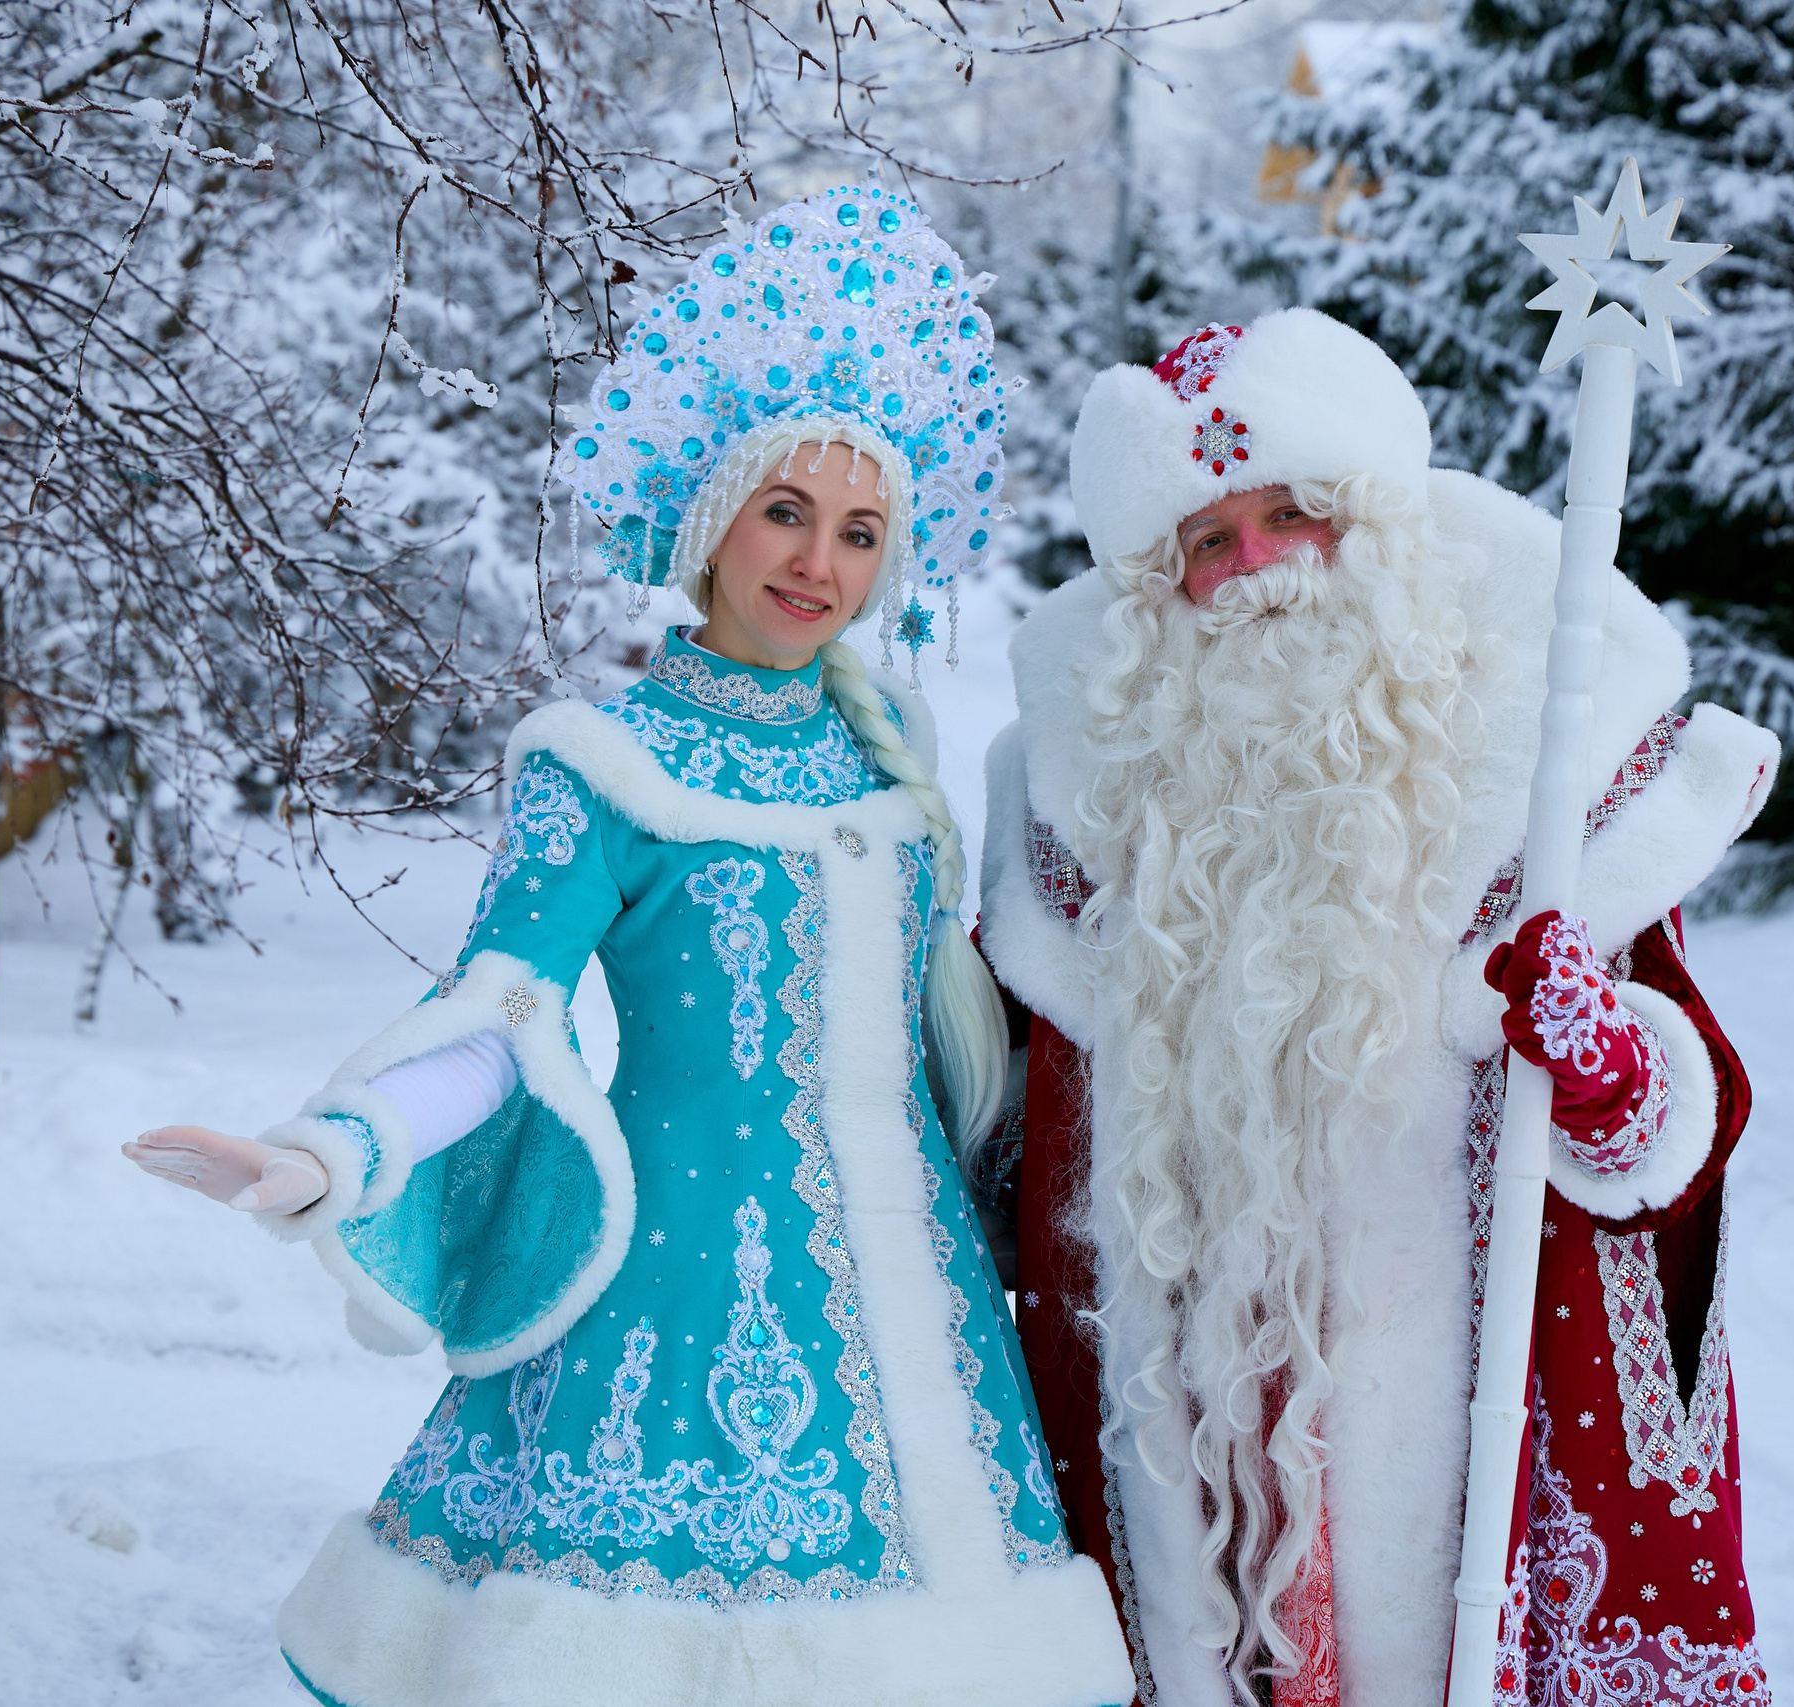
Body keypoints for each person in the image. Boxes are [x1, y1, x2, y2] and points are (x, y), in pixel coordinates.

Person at [124, 186, 1132, 1707]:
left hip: (913, 1301)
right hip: (680, 1282)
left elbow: (957, 1042)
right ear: (710, 513)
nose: (817, 563)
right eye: (785, 512)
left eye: (860, 533)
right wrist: (337, 1150)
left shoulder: (897, 761)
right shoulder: (601, 760)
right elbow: (502, 1015)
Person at [971, 311, 1781, 1707]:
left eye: (1293, 514)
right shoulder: (1076, 827)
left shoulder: (1544, 787)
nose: (1257, 568)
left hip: (1457, 1418)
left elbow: (1671, 1140)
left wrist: (1602, 1063)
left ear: (1375, 529)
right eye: (1207, 542)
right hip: (1185, 1430)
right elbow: (1010, 1153)